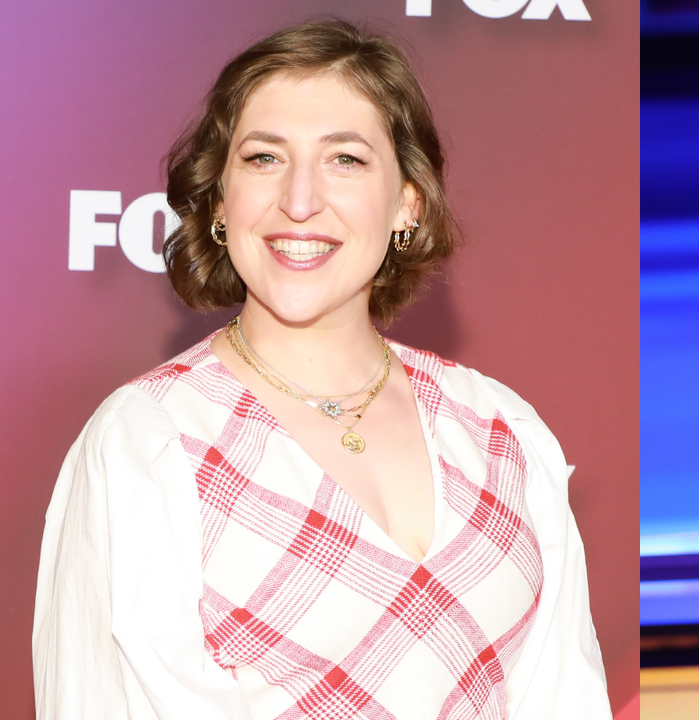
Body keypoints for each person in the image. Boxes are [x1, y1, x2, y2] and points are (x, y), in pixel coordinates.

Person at [34, 20, 610, 719]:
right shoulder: (149, 444)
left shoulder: (501, 432)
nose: (300, 200)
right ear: (220, 201)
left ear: (407, 203)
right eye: (263, 159)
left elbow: (563, 698)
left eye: (346, 159)